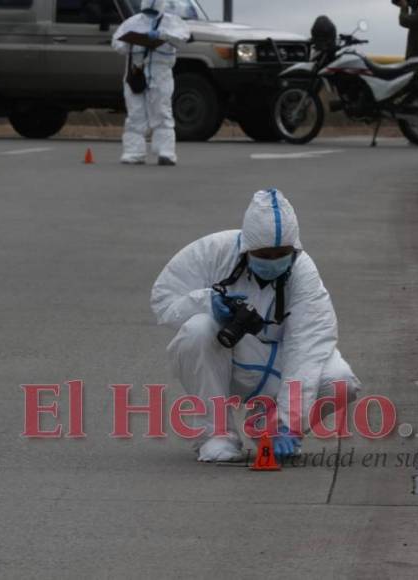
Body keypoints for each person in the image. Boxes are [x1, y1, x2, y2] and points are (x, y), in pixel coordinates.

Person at [151, 189, 362, 462]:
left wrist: (290, 422)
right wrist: (207, 302)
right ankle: (216, 436)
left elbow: (307, 348)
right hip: (231, 358)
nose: (273, 260)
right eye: (263, 254)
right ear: (246, 248)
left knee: (341, 382)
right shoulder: (213, 251)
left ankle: (269, 424)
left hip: (281, 362)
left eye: (281, 253)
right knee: (197, 330)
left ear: (294, 249)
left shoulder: (303, 272)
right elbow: (164, 300)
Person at [112, 0, 189, 166]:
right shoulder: (132, 22)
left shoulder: (172, 22)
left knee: (162, 112)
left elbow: (183, 38)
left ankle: (166, 152)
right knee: (135, 113)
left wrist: (163, 35)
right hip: (136, 73)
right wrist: (130, 42)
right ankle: (134, 153)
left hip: (160, 73)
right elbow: (117, 44)